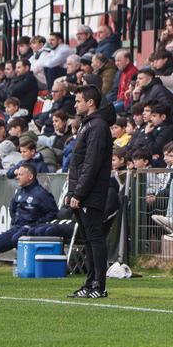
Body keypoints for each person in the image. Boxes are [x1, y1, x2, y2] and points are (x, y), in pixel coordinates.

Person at [66, 85, 115, 298]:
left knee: (95, 238)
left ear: (90, 102)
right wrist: (72, 191)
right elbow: (80, 163)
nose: (75, 105)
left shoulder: (97, 126)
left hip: (91, 193)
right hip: (84, 191)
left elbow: (91, 163)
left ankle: (99, 285)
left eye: (78, 101)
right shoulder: (89, 125)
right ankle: (89, 283)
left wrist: (79, 193)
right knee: (88, 239)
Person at [0, 163, 59, 273]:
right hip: (17, 228)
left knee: (17, 238)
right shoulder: (20, 191)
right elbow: (12, 208)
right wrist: (14, 220)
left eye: (21, 174)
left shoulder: (41, 194)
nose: (17, 177)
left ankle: (28, 267)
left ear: (30, 177)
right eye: (17, 174)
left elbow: (53, 212)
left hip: (31, 229)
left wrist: (37, 223)